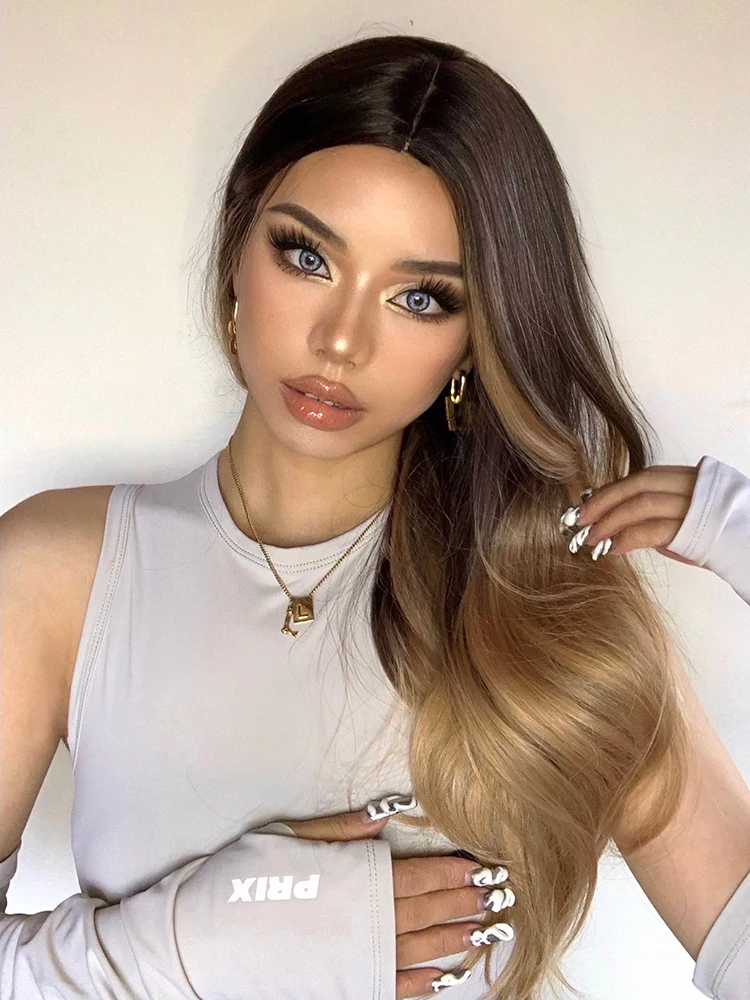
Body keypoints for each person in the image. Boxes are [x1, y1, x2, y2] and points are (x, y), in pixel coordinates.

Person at [1, 32, 749, 1000]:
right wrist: (191, 947)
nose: (342, 340)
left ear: (477, 339)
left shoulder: (546, 611)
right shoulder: (55, 573)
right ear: (238, 243)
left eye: (421, 297)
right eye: (307, 255)